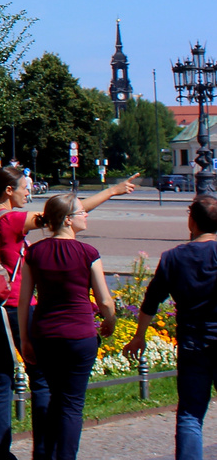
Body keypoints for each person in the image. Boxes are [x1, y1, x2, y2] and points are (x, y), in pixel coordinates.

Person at [0, 165, 137, 460]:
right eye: (25, 187)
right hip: (13, 308)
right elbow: (62, 214)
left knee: (0, 379)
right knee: (41, 382)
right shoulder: (11, 219)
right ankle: (43, 452)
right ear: (9, 191)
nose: (29, 192)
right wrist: (112, 191)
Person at [18, 193, 115, 460]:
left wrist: (25, 339)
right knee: (72, 405)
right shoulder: (88, 253)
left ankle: (45, 454)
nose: (86, 215)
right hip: (80, 336)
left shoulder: (34, 253)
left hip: (45, 335)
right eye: (82, 212)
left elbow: (24, 301)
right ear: (68, 220)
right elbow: (104, 300)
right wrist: (110, 321)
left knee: (52, 397)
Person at [125, 196, 217, 460]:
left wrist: (139, 336)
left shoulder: (173, 258)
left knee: (190, 415)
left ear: (192, 221)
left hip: (191, 343)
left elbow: (151, 301)